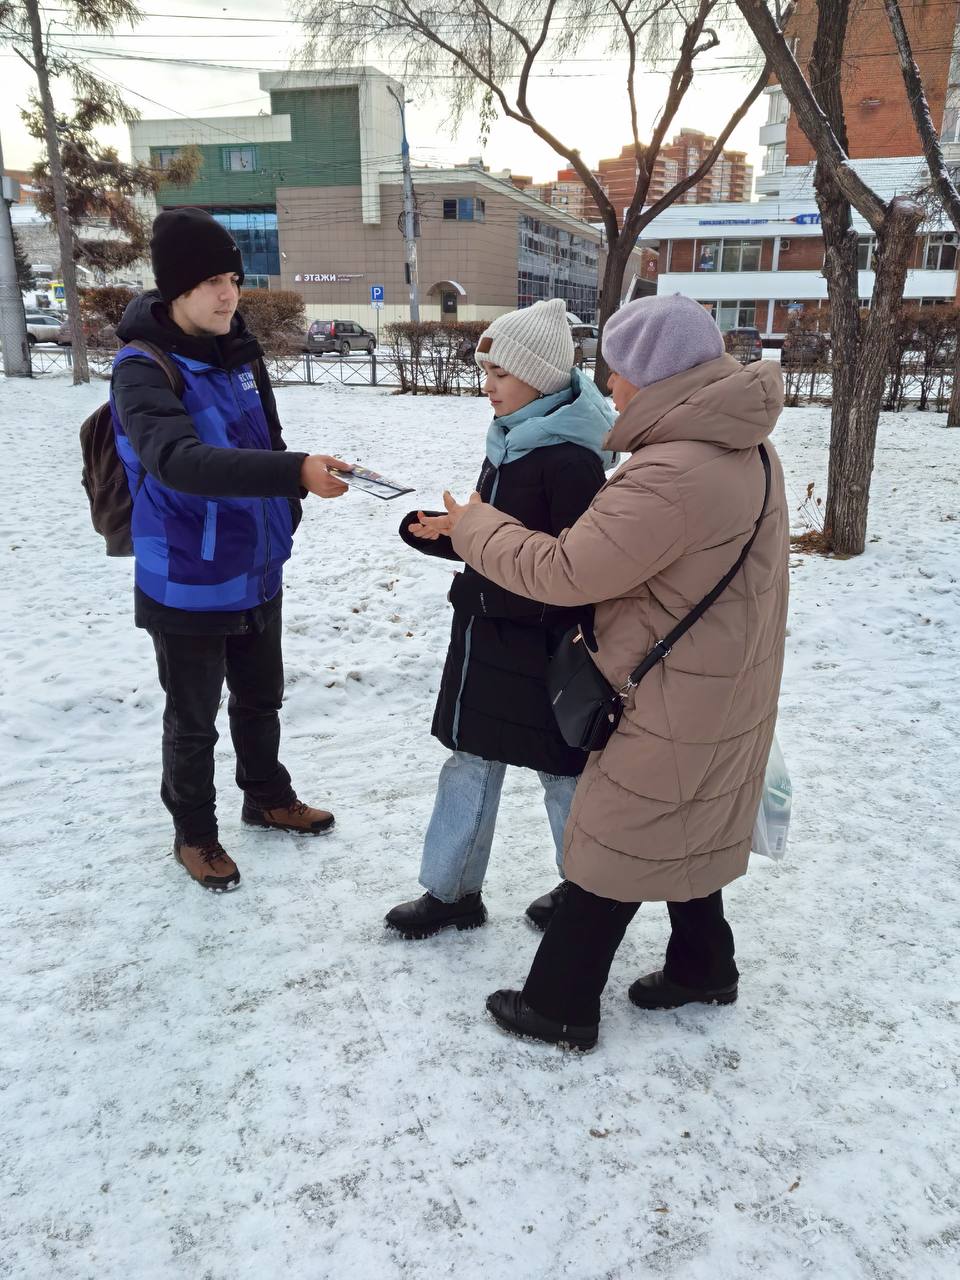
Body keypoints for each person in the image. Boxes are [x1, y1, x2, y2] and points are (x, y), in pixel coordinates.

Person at [426, 293, 790, 1049]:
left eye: (617, 371)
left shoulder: (673, 471)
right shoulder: (743, 444)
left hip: (670, 686)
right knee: (684, 817)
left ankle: (558, 1005)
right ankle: (703, 966)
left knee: (613, 832)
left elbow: (567, 571)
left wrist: (475, 527)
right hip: (721, 676)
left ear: (655, 374)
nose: (609, 386)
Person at [110, 207, 351, 893]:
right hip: (187, 576)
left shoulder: (237, 348)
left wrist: (288, 503)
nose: (228, 295)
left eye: (234, 280)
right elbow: (179, 461)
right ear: (175, 289)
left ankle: (267, 796)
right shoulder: (142, 369)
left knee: (260, 698)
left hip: (257, 563)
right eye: (211, 282)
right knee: (194, 721)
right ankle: (194, 832)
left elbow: (268, 439)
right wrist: (293, 473)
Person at [384, 298, 614, 939]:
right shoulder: (513, 439)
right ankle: (452, 892)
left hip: (541, 653)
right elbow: (502, 538)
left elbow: (574, 573)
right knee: (469, 763)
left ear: (539, 378)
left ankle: (585, 893)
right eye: (486, 372)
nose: (487, 385)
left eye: (500, 373)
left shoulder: (570, 460)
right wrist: (447, 533)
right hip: (486, 643)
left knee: (562, 774)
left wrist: (486, 586)